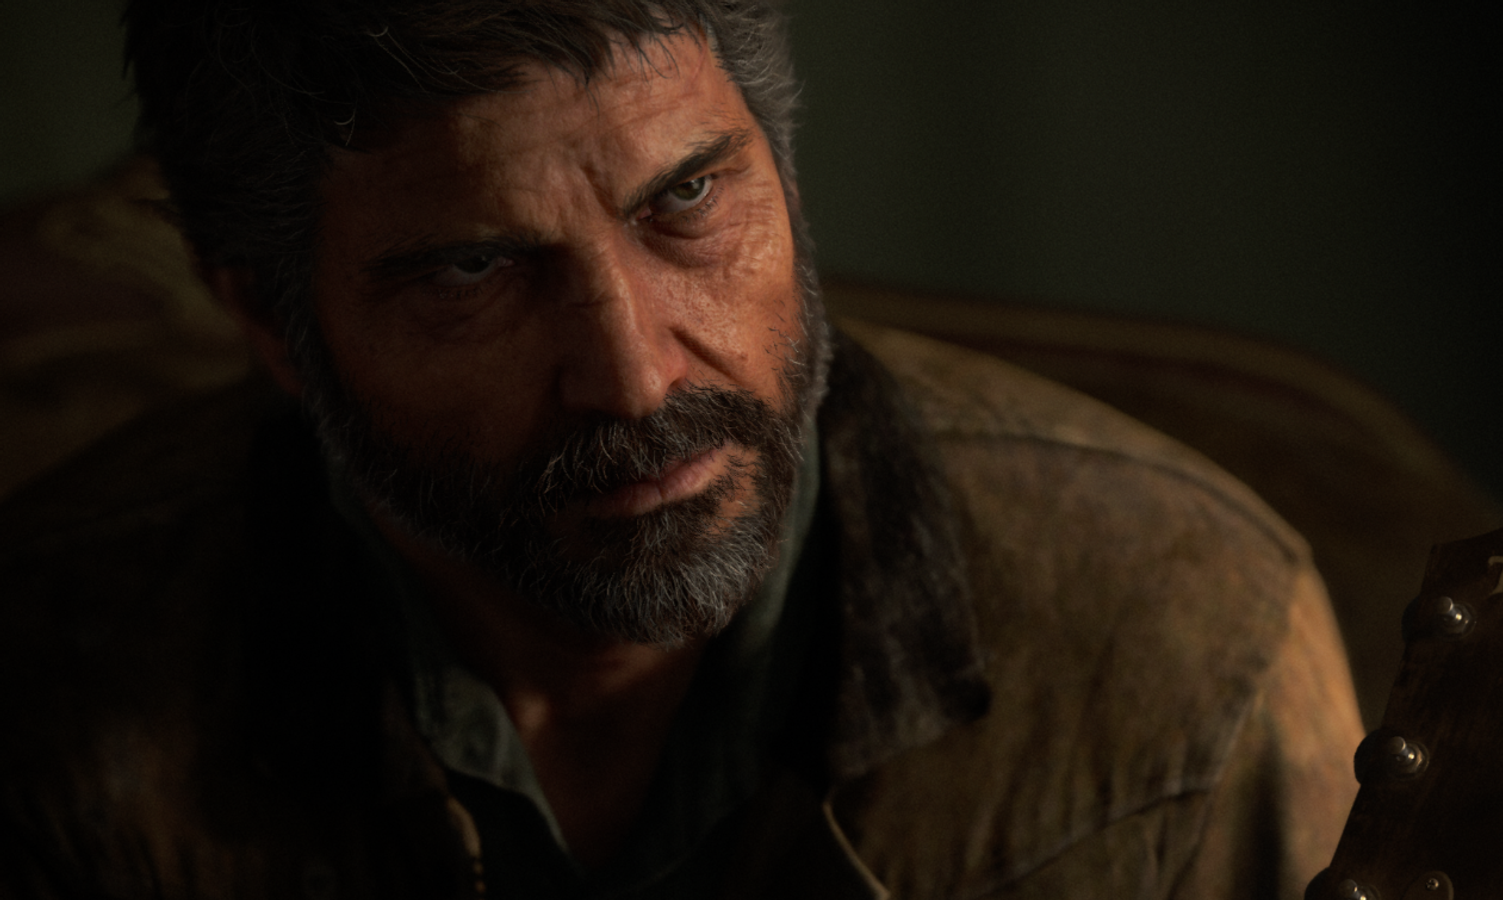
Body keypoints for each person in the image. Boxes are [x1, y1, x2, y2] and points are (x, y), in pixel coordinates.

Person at [0, 1, 1363, 896]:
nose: (636, 378)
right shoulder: (45, 680)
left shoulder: (1189, 644)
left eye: (688, 197)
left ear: (782, 168)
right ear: (273, 325)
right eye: (475, 270)